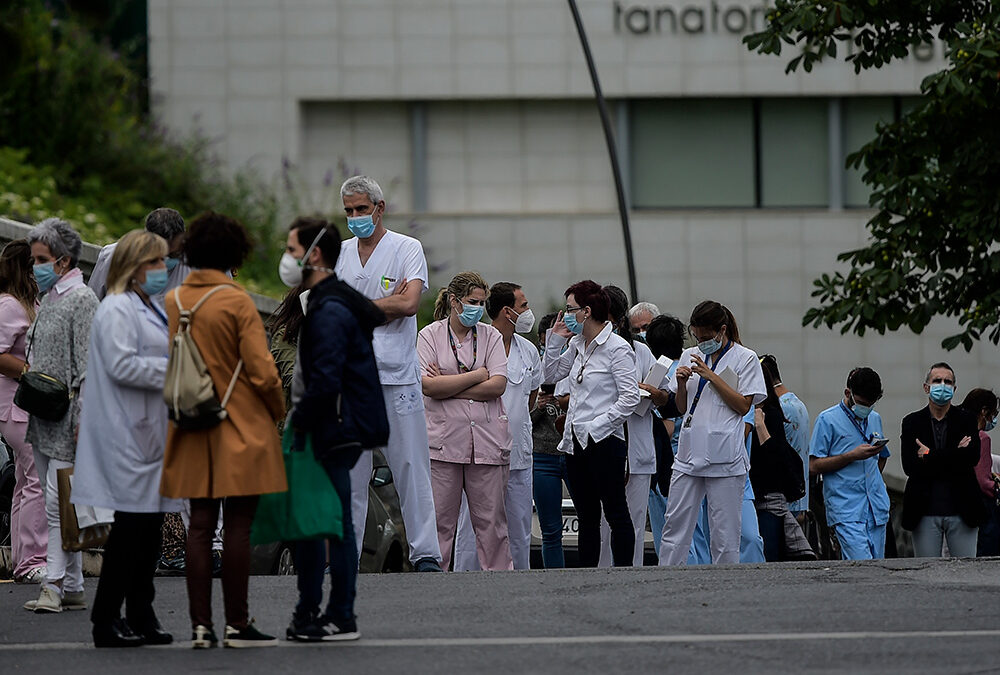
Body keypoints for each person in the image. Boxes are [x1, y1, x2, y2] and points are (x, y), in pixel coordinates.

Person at [159, 212, 286, 648]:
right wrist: (277, 409)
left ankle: (199, 625)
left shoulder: (175, 300)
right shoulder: (236, 301)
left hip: (192, 424)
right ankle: (237, 623)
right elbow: (263, 372)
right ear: (235, 253)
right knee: (237, 526)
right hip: (241, 425)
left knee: (198, 523)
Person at [72, 230, 182, 647]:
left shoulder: (147, 306)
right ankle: (106, 619)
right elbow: (122, 366)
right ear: (135, 267)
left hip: (148, 434)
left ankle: (141, 611)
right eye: (155, 263)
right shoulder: (117, 307)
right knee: (130, 532)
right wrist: (175, 373)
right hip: (126, 436)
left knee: (148, 530)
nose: (163, 269)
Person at [334, 175, 443, 573]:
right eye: (349, 211)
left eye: (361, 209)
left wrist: (355, 306)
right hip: (352, 376)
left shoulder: (406, 247)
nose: (355, 217)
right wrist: (385, 302)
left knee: (411, 466)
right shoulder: (340, 253)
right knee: (351, 471)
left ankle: (426, 552)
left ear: (379, 209)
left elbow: (411, 302)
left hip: (397, 376)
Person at [281, 217, 383, 642]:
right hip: (337, 429)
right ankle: (321, 611)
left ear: (314, 254)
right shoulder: (332, 302)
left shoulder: (329, 310)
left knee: (321, 526)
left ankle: (332, 614)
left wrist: (299, 425)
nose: (286, 259)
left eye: (291, 249)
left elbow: (324, 380)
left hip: (327, 431)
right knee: (329, 524)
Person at [22, 219, 99, 614]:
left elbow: (88, 363)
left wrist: (85, 417)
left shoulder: (82, 300)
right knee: (58, 498)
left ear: (64, 261)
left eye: (42, 259)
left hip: (68, 414)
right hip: (43, 411)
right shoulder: (49, 297)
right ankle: (72, 584)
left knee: (57, 501)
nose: (35, 267)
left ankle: (52, 585)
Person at [657, 301, 766, 566]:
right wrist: (681, 384)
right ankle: (665, 580)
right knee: (675, 525)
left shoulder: (745, 357)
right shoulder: (689, 355)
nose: (701, 342)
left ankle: (725, 588)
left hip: (725, 456)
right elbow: (681, 408)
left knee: (725, 532)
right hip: (689, 450)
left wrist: (712, 377)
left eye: (706, 337)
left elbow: (743, 406)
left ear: (722, 330)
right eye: (697, 336)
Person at [417, 272, 512, 571]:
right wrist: (476, 376)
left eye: (482, 303)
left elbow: (498, 385)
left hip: (486, 442)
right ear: (455, 302)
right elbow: (428, 387)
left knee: (492, 525)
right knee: (440, 524)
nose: (478, 309)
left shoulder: (490, 335)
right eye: (473, 302)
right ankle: (434, 583)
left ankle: (499, 582)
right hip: (443, 444)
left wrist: (449, 383)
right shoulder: (429, 335)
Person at [543, 280, 640, 567]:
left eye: (571, 309)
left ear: (587, 311)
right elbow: (549, 374)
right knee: (586, 515)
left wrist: (598, 426)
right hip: (574, 441)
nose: (566, 315)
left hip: (604, 441)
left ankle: (623, 573)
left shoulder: (616, 347)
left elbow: (630, 398)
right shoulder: (576, 343)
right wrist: (556, 340)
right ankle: (586, 576)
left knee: (615, 511)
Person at [453, 281, 541, 571]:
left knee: (518, 526)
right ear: (507, 311)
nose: (528, 312)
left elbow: (531, 398)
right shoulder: (476, 343)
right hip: (480, 451)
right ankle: (463, 582)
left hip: (518, 454)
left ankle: (519, 587)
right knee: (473, 525)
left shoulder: (528, 350)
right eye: (523, 305)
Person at [598, 286, 659, 567]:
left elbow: (664, 395)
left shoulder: (641, 351)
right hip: (602, 447)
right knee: (602, 526)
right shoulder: (586, 348)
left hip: (637, 448)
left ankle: (632, 581)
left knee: (634, 523)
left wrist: (646, 392)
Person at [901, 363, 984, 558]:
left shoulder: (967, 420)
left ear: (954, 389)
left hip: (963, 510)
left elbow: (971, 458)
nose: (942, 385)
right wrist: (955, 455)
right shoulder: (912, 422)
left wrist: (930, 456)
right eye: (937, 380)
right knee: (926, 575)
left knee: (965, 574)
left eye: (948, 382)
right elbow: (910, 466)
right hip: (923, 511)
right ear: (926, 387)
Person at [0, 240, 46, 584]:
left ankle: (22, 558)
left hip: (23, 407)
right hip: (18, 408)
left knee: (24, 482)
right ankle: (33, 560)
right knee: (38, 482)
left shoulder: (27, 304)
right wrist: (31, 372)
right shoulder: (10, 307)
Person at [809, 367, 891, 560]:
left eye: (871, 404)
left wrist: (875, 482)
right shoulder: (827, 420)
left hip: (876, 509)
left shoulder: (874, 418)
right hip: (846, 510)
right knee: (862, 566)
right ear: (848, 393)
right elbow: (812, 466)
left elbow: (883, 456)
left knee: (878, 568)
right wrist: (851, 456)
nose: (867, 408)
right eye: (862, 403)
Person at [748, 364, 815, 561]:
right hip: (751, 497)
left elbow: (775, 461)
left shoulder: (771, 414)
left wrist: (760, 427)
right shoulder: (743, 413)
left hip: (769, 499)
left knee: (770, 557)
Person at [531, 312, 573, 568]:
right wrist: (538, 405)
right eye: (551, 338)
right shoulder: (535, 365)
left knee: (592, 519)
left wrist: (565, 402)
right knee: (550, 529)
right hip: (543, 455)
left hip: (572, 454)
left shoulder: (573, 362)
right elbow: (522, 419)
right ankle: (553, 579)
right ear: (542, 339)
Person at [641, 314, 685, 551]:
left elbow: (665, 426)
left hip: (665, 464)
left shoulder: (660, 374)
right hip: (693, 463)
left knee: (666, 532)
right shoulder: (690, 369)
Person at [88, 207, 189, 304]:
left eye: (174, 254)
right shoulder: (113, 255)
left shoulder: (193, 265)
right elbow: (93, 302)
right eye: (155, 259)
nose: (162, 265)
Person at [759, 355, 810, 515]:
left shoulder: (779, 409)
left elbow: (773, 451)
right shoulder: (796, 403)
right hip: (799, 496)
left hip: (784, 500)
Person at [963, 388, 1000, 556]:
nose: (994, 419)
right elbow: (983, 482)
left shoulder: (958, 432)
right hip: (981, 510)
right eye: (994, 413)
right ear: (984, 411)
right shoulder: (982, 438)